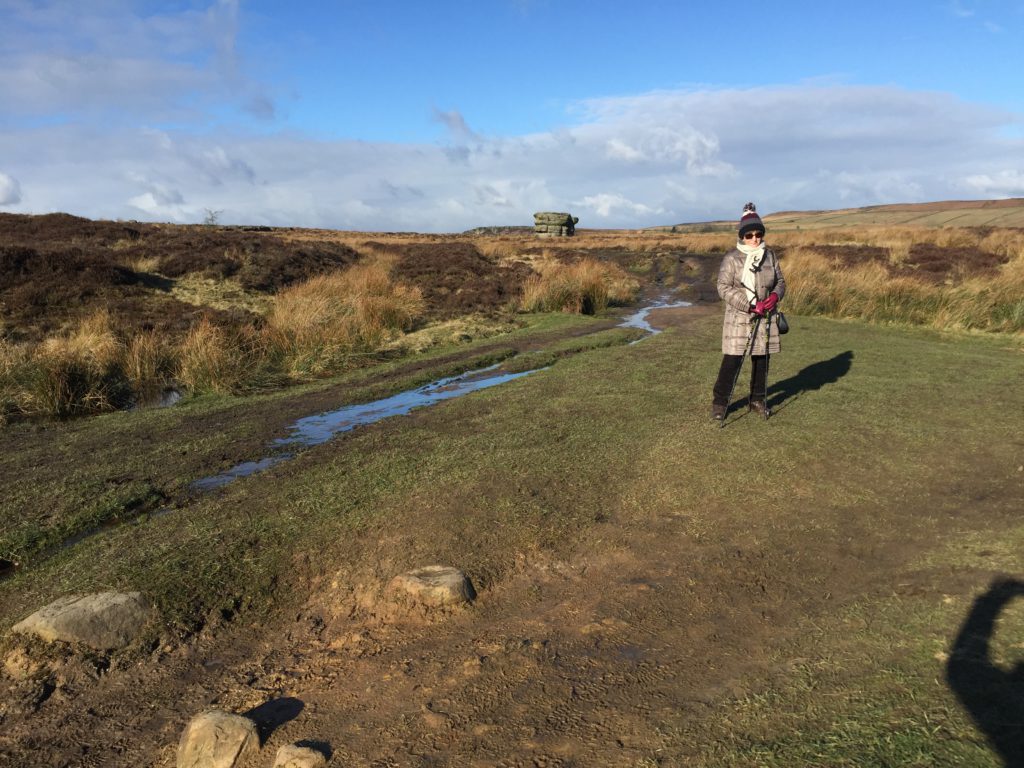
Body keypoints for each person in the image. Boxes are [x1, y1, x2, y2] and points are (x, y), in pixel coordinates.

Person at [711, 202, 786, 421]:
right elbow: (723, 287)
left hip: (766, 318)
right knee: (732, 361)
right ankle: (720, 403)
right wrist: (750, 305)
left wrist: (774, 296)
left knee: (762, 360)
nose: (754, 239)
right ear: (742, 236)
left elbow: (780, 281)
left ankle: (757, 400)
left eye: (758, 234)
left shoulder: (769, 256)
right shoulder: (731, 259)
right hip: (739, 318)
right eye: (749, 235)